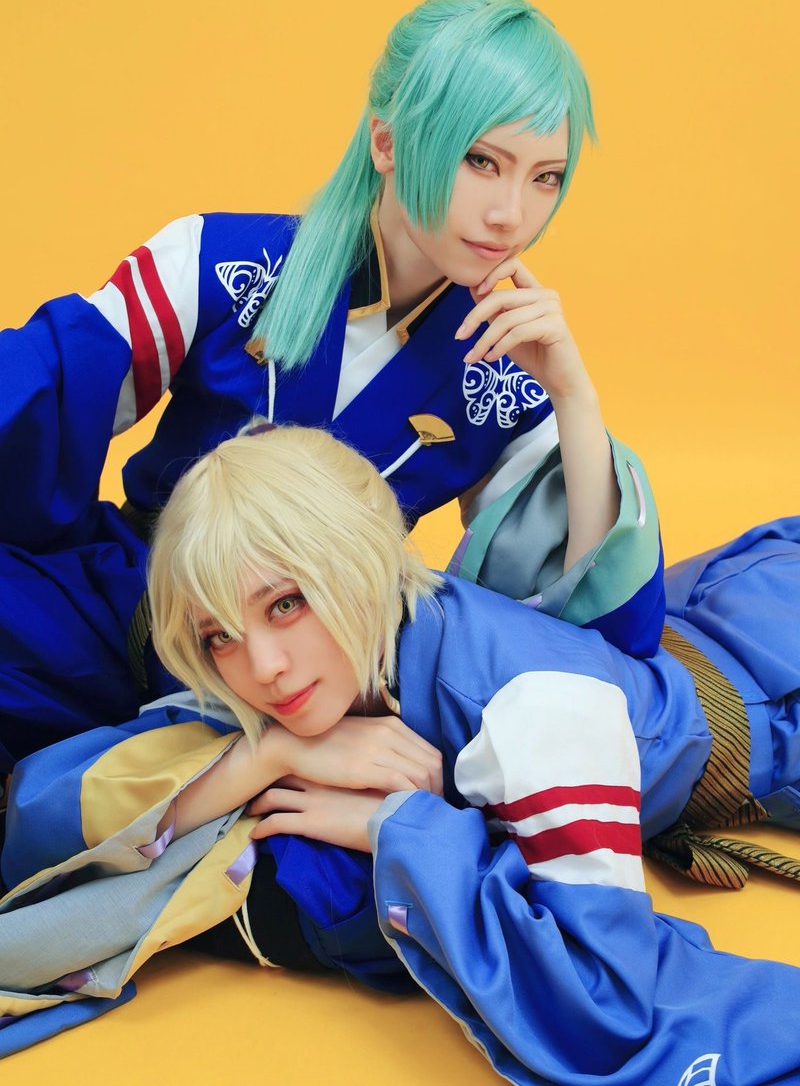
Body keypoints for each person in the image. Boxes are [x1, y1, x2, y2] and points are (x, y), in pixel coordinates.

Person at [2, 424, 800, 1082]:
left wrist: (399, 826)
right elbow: (43, 810)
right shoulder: (312, 674)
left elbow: (600, 1000)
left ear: (362, 561)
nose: (263, 667)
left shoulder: (532, 710)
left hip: (771, 671)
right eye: (219, 636)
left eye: (287, 602)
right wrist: (265, 759)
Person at [0, 0, 664, 771]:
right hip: (139, 613)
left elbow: (594, 631)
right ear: (386, 142)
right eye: (481, 161)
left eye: (546, 177)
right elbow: (41, 383)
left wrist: (574, 397)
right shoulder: (219, 262)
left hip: (317, 677)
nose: (510, 214)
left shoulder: (505, 369)